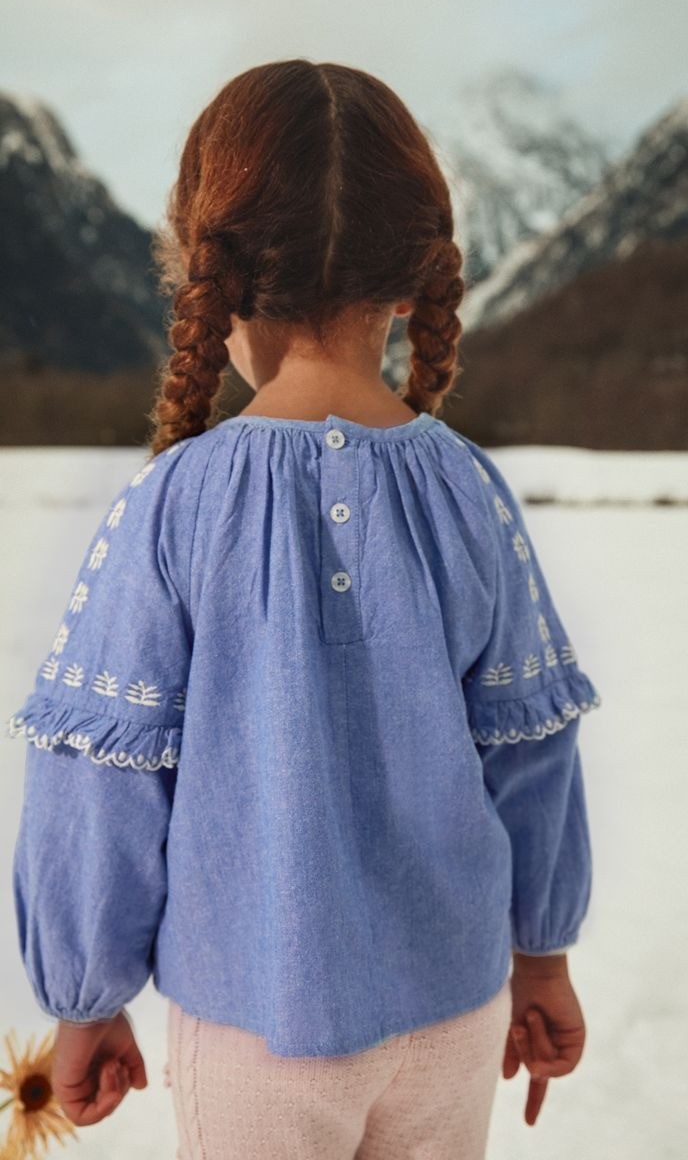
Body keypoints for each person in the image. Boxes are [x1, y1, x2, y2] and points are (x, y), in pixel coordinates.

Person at [5, 60, 602, 1159]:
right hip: (458, 1011)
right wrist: (543, 954)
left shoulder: (176, 500)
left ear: (210, 272)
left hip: (253, 1024)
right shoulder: (468, 487)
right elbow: (532, 741)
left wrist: (87, 995)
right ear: (412, 276)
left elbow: (100, 769)